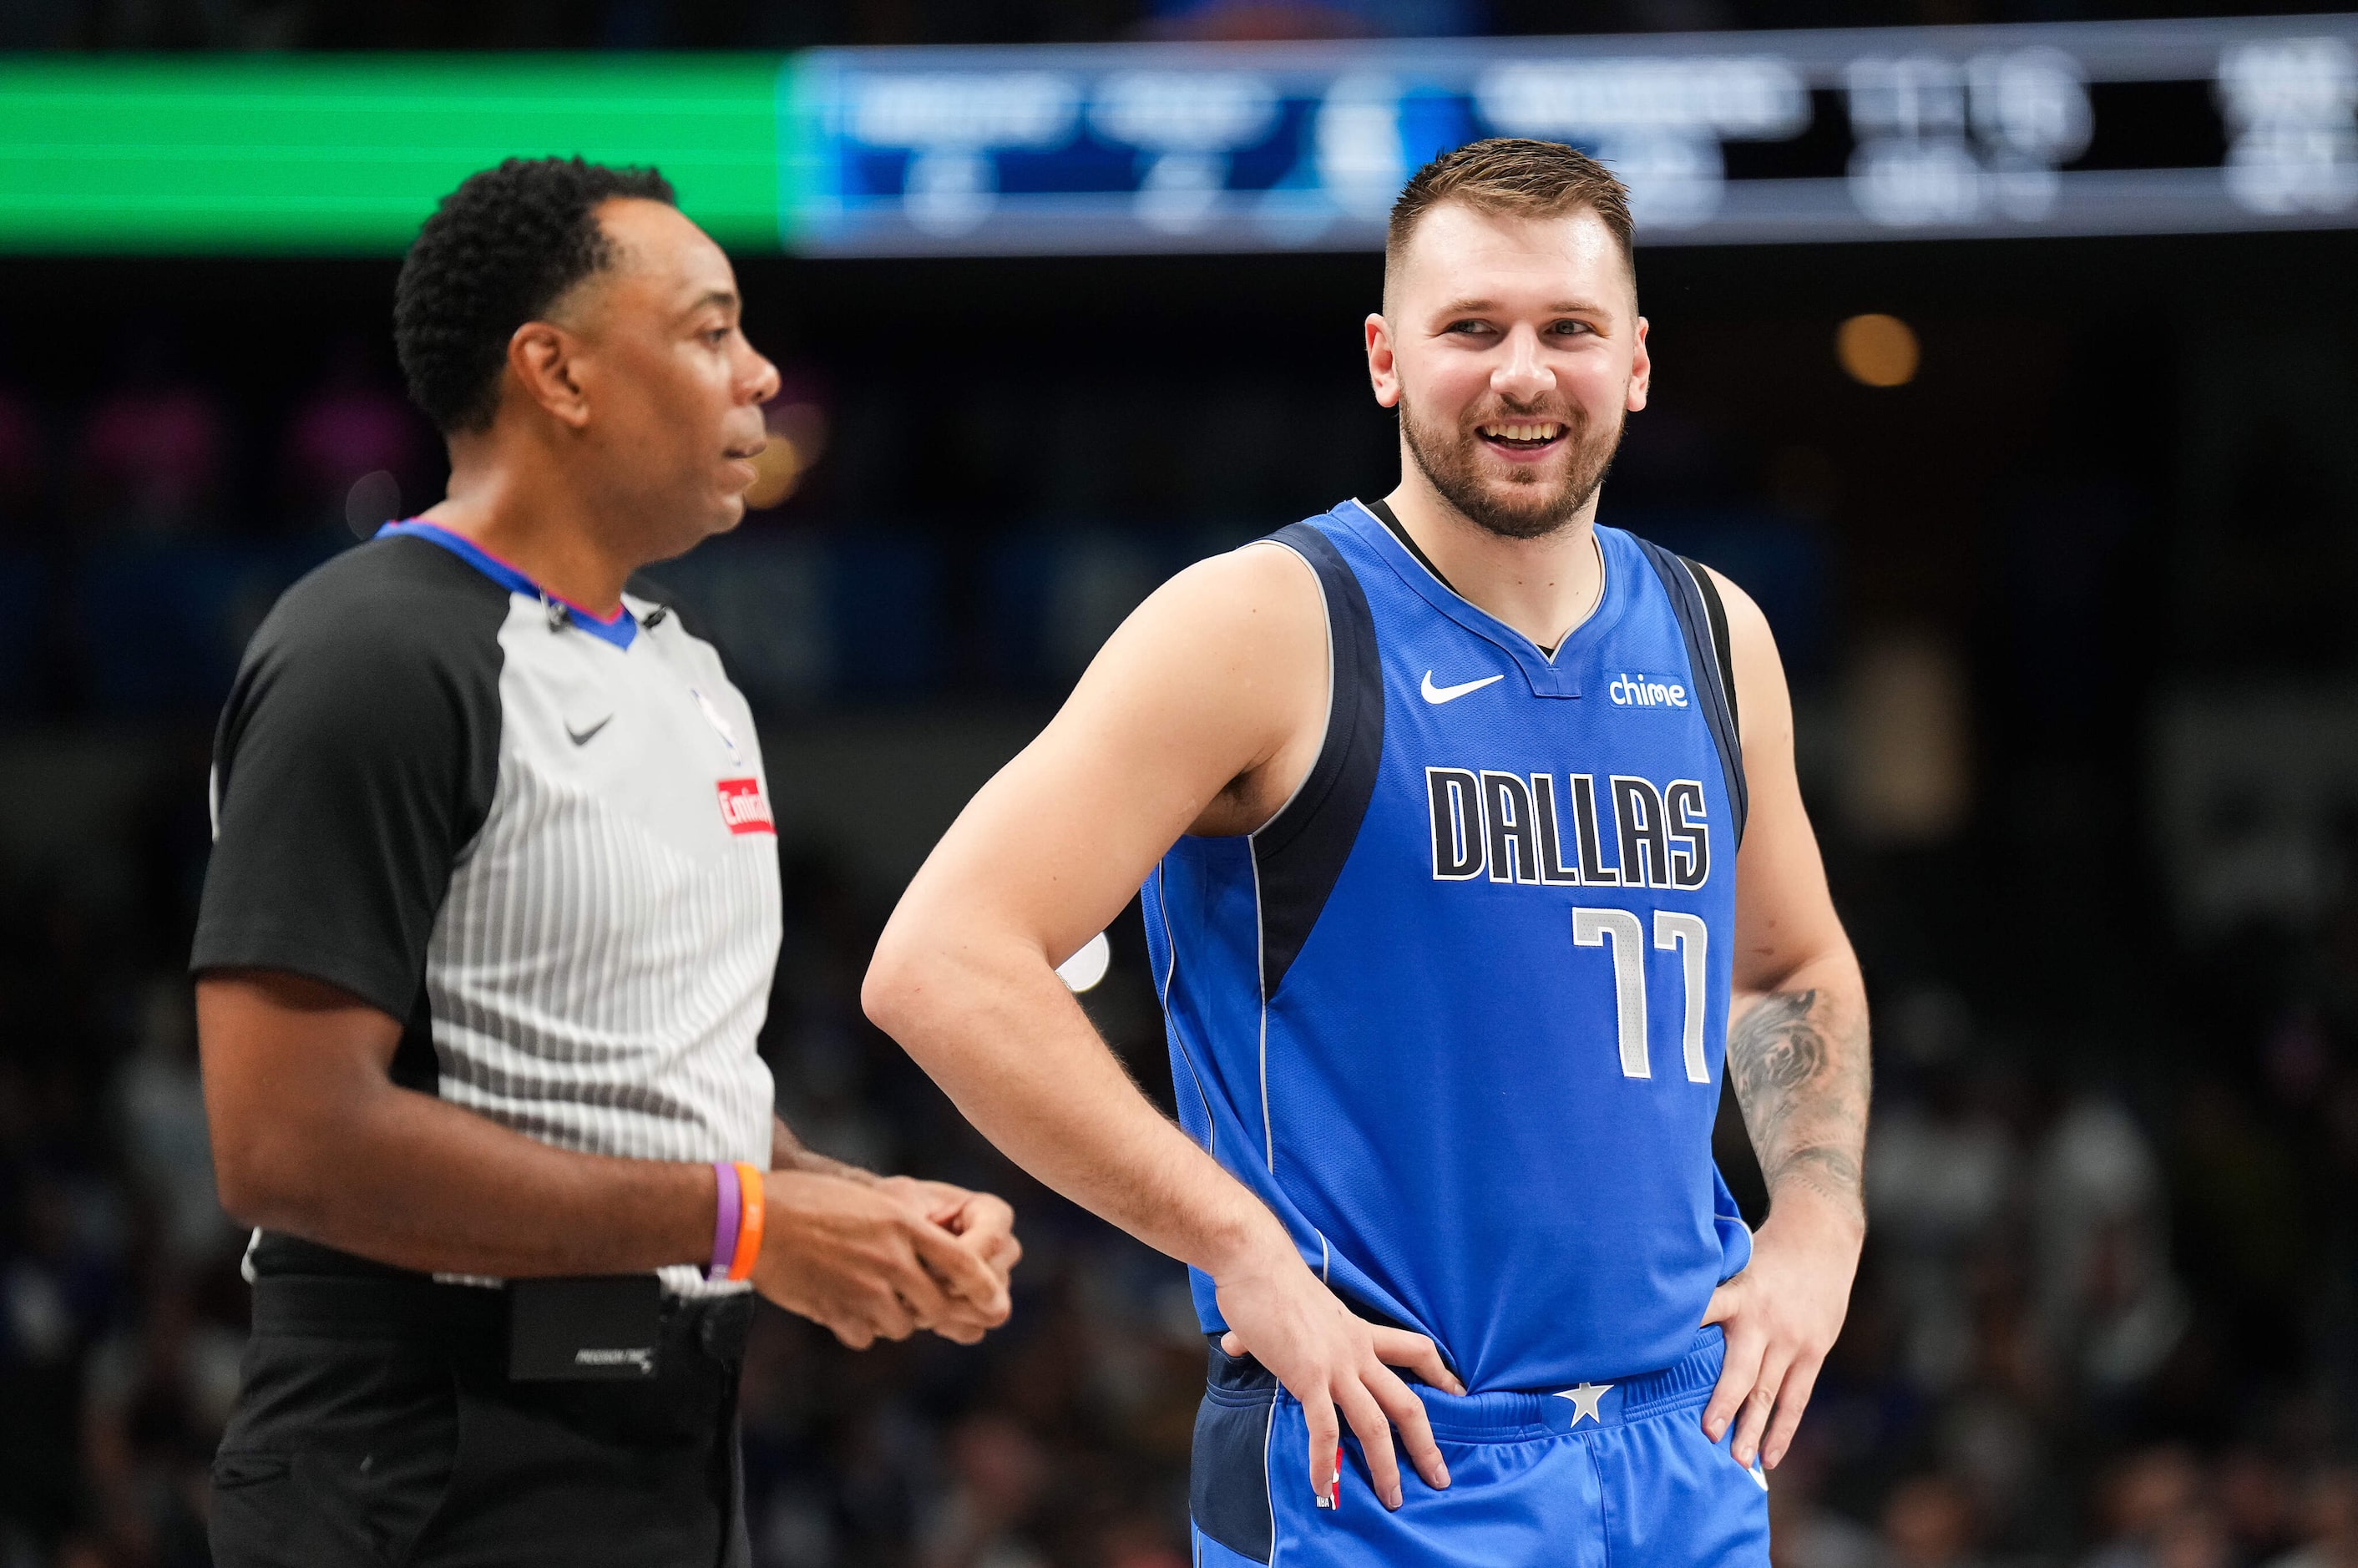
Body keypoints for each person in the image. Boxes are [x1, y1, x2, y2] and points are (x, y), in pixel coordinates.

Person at [864, 139, 1869, 1565]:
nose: (1525, 372)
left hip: (1684, 1451)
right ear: (1388, 357)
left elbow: (1791, 963)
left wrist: (1820, 1219)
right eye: (1474, 329)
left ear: (1635, 362)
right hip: (1387, 1460)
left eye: (1568, 329)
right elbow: (942, 963)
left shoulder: (1718, 632)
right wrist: (1237, 1248)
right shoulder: (1263, 623)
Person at [190, 157, 1020, 1567]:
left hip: (666, 1442)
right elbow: (285, 1142)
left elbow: (632, 1088)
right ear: (555, 372)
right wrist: (753, 1223)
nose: (760, 376)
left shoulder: (695, 679)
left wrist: (839, 1201)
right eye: (710, 333)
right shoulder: (373, 653)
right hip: (416, 1452)